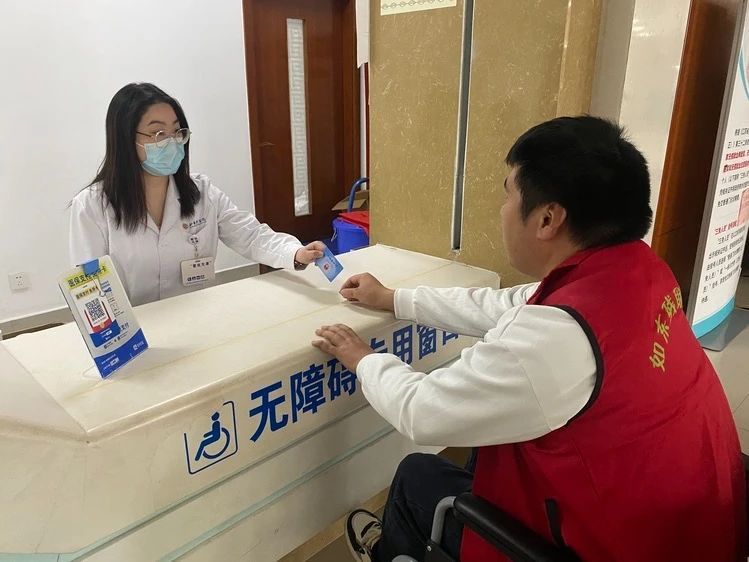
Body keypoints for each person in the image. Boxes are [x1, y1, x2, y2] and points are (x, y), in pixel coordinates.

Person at [313, 116, 745, 562]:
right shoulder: (640, 271)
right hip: (690, 525)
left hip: (612, 545)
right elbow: (507, 303)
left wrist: (362, 357)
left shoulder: (557, 339)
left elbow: (421, 412)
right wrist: (394, 298)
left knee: (416, 476)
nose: (502, 210)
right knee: (482, 452)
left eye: (508, 195)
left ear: (547, 218)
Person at [70, 83, 324, 306]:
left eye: (177, 131)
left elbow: (251, 236)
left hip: (198, 318)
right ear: (125, 139)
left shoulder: (201, 192)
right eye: (158, 133)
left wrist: (294, 252)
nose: (172, 141)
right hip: (137, 331)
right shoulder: (92, 206)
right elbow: (91, 287)